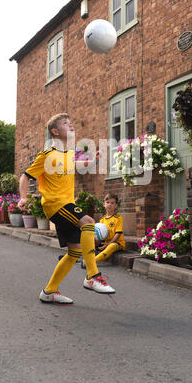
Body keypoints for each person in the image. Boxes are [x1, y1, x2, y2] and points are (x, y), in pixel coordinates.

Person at [18, 113, 115, 305]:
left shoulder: (68, 153)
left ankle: (49, 291)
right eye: (65, 123)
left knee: (74, 251)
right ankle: (92, 276)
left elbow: (75, 165)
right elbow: (25, 176)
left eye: (71, 122)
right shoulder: (47, 155)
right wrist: (23, 197)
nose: (71, 125)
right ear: (55, 131)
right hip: (55, 204)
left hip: (66, 205)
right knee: (88, 222)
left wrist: (91, 162)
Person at [81, 193, 125, 268]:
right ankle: (77, 256)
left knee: (111, 247)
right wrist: (96, 240)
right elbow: (99, 233)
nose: (109, 205)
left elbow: (118, 234)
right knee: (90, 240)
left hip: (117, 243)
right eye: (107, 202)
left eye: (112, 203)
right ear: (104, 204)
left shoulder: (118, 218)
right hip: (105, 242)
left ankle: (92, 262)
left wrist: (108, 244)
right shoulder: (102, 219)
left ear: (116, 206)